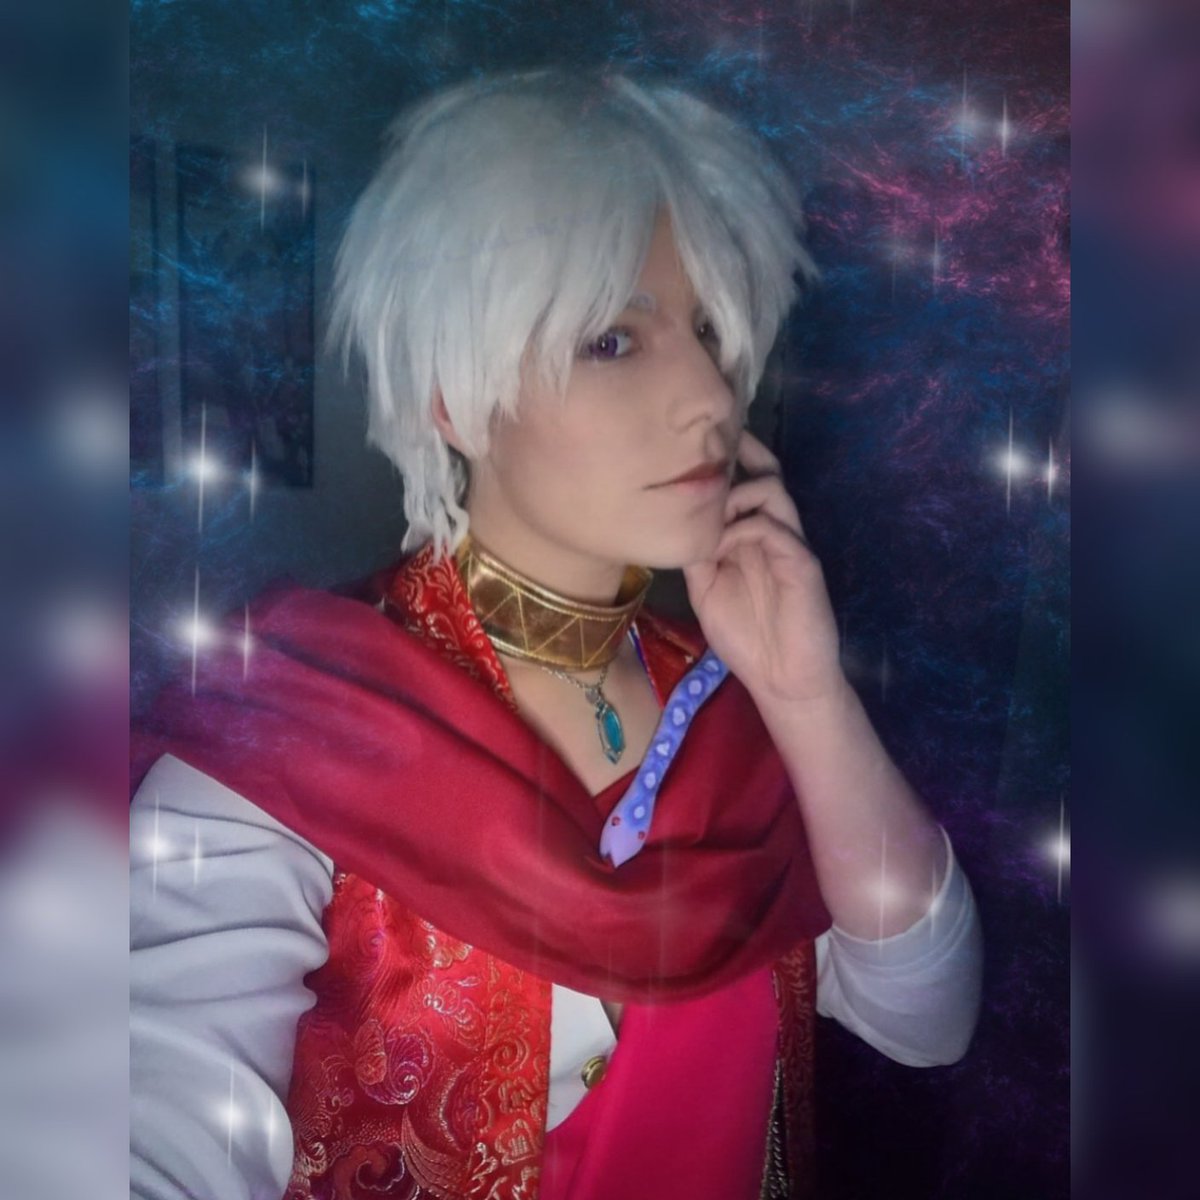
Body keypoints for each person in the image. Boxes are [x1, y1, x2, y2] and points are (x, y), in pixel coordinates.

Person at [131, 68, 983, 1200]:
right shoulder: (286, 726)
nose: (710, 397)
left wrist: (808, 695)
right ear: (453, 397)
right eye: (613, 341)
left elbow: (925, 1020)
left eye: (712, 331)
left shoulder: (740, 705)